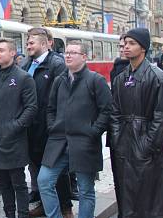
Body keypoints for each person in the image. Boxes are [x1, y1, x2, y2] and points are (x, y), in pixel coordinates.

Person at [38, 41, 112, 218]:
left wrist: (93, 132)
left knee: (85, 189)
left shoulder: (95, 80)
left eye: (73, 53)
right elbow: (51, 108)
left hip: (84, 143)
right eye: (66, 52)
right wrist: (52, 127)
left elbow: (107, 110)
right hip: (58, 141)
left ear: (84, 57)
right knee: (44, 180)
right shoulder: (60, 80)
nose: (68, 55)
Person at [111, 28, 163, 218]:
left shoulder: (157, 76)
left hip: (145, 146)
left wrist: (147, 145)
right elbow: (114, 112)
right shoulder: (121, 78)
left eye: (132, 43)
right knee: (126, 196)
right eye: (125, 44)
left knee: (149, 199)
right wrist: (116, 138)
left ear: (143, 48)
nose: (126, 47)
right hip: (124, 145)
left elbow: (162, 116)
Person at [20, 28, 72, 218]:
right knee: (37, 168)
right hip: (31, 127)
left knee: (56, 171)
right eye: (27, 43)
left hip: (49, 127)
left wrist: (55, 126)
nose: (28, 46)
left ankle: (66, 208)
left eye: (31, 43)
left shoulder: (57, 65)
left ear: (44, 44)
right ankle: (45, 203)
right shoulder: (25, 64)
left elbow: (63, 97)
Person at [0, 38, 37, 218]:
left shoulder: (24, 77)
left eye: (1, 50)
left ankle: (23, 214)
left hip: (15, 139)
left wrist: (15, 126)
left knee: (18, 183)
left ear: (13, 53)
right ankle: (9, 214)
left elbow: (31, 108)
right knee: (3, 182)